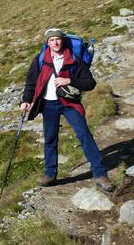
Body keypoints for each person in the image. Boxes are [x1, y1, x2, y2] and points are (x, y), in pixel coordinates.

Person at [20, 27, 114, 192]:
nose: (55, 42)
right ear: (47, 43)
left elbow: (90, 83)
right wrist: (26, 101)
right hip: (48, 105)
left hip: (69, 103)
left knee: (84, 134)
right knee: (50, 140)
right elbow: (31, 83)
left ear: (62, 40)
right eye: (51, 40)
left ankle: (100, 174)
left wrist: (69, 80)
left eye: (57, 39)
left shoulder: (74, 59)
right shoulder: (40, 59)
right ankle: (50, 175)